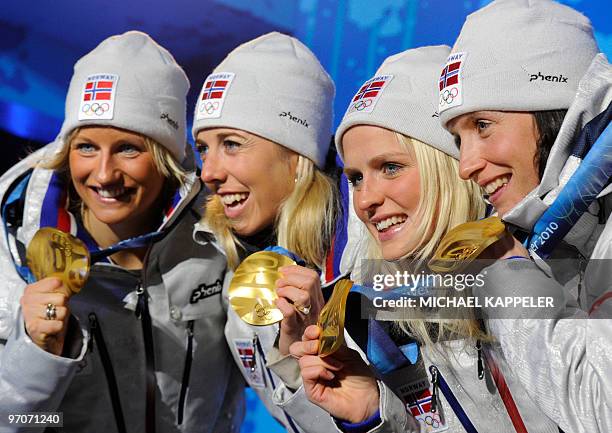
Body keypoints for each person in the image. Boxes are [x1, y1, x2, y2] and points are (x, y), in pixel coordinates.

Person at [291, 46, 563, 432]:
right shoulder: (377, 313)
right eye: (356, 178)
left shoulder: (559, 275)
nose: (365, 200)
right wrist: (374, 413)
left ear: (451, 168)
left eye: (390, 167)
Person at [0, 31, 244, 433]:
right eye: (87, 147)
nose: (103, 174)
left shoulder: (220, 239)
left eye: (128, 148)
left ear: (166, 155)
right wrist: (39, 353)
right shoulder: (13, 251)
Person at [438, 0, 612, 431]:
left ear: (556, 115)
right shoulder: (558, 239)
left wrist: (508, 274)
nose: (466, 165)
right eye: (459, 140)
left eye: (482, 125)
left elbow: (603, 408)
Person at [191, 32, 343, 432]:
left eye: (232, 144)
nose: (209, 172)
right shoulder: (226, 266)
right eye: (203, 147)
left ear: (297, 157)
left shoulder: (371, 257)